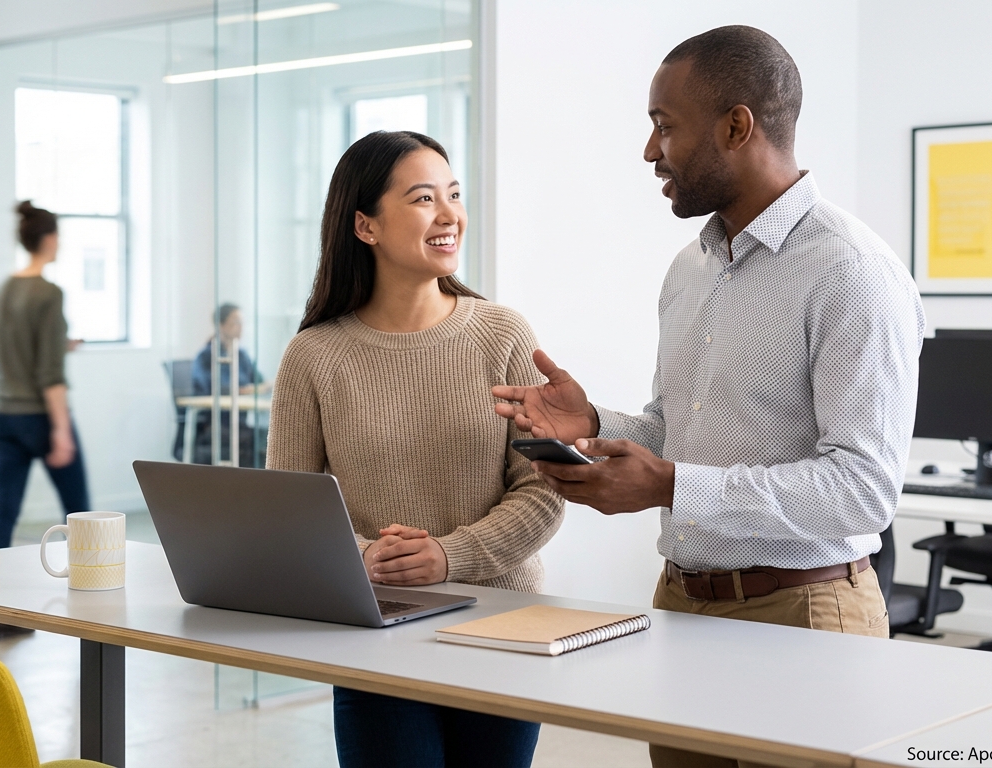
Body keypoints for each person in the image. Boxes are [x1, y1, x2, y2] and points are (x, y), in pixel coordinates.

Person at [492, 26, 924, 768]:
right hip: (684, 608)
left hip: (806, 617)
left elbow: (863, 490)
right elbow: (675, 426)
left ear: (736, 125)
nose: (649, 151)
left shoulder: (853, 273)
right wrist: (596, 423)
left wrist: (670, 485)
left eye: (665, 126)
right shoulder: (688, 271)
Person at [267, 130, 564, 768]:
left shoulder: (502, 333)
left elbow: (544, 488)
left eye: (453, 196)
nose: (450, 215)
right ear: (365, 226)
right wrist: (368, 557)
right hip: (376, 629)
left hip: (503, 626)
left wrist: (448, 558)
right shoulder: (314, 355)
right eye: (424, 198)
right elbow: (288, 515)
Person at [0, 201, 91, 640]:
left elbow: (12, 351)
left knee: (3, 512)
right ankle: (96, 611)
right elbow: (49, 376)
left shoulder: (4, 289)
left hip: (3, 414)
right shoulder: (49, 293)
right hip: (39, 418)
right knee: (82, 513)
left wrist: (59, 344)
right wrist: (61, 429)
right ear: (48, 239)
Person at [188, 303, 268, 466]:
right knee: (255, 439)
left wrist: (252, 389)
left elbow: (261, 381)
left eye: (242, 322)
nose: (240, 327)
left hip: (240, 423)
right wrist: (246, 390)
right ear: (220, 325)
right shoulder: (206, 357)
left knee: (269, 436)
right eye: (235, 322)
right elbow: (214, 389)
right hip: (215, 425)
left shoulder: (241, 355)